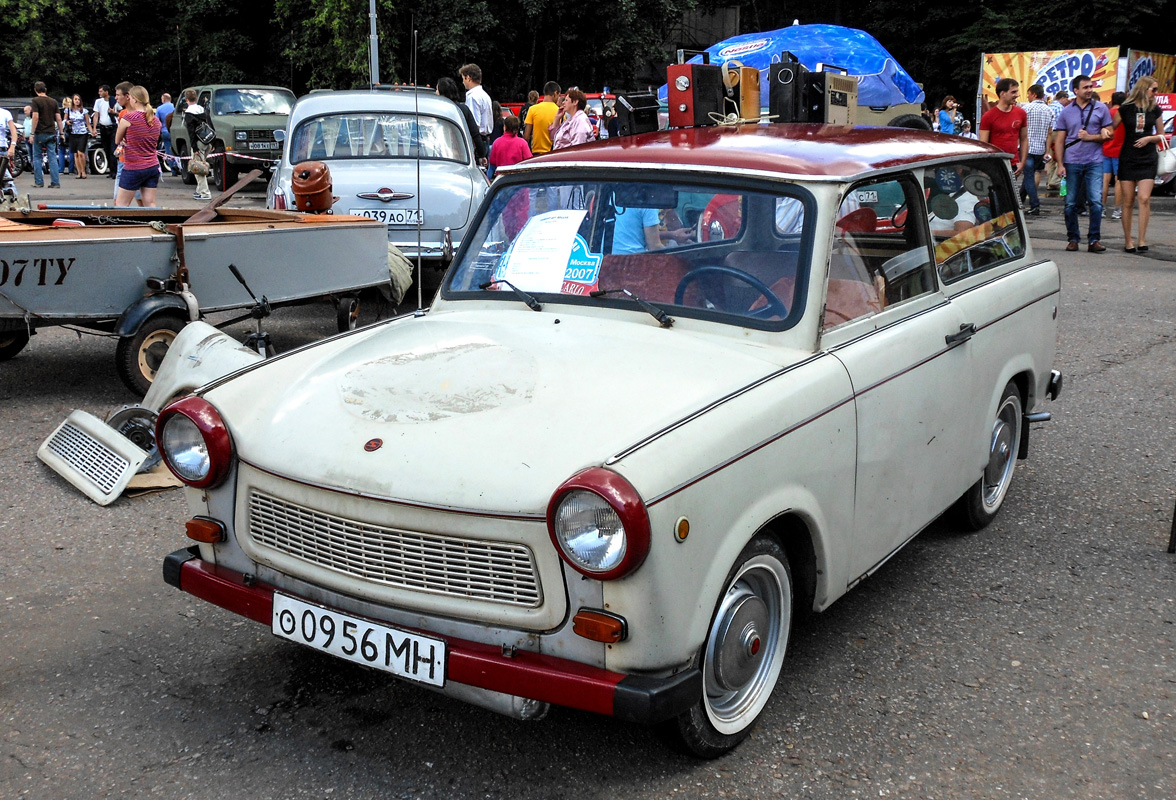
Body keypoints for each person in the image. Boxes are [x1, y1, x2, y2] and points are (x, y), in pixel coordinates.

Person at [1053, 74, 1114, 253]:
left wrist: (1093, 136)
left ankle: (1094, 239)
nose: (1089, 90)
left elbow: (1110, 133)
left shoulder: (1101, 108)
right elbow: (1059, 140)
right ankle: (1073, 238)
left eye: (1091, 87)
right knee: (1070, 203)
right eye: (1085, 87)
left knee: (1095, 201)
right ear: (1076, 90)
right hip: (1072, 161)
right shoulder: (1066, 111)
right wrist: (1060, 164)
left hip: (1095, 160)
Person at [1114, 76, 1164, 253]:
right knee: (1128, 201)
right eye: (1154, 89)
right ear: (1143, 89)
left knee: (1144, 198)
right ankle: (1128, 240)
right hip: (1128, 157)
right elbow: (1110, 128)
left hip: (1148, 157)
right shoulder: (1125, 109)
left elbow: (1162, 135)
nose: (1156, 93)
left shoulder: (1155, 110)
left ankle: (1142, 239)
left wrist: (1150, 138)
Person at [114, 85, 162, 207]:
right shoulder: (156, 120)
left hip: (134, 166)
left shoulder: (128, 118)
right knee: (150, 203)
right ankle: (155, 224)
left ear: (134, 99)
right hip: (152, 165)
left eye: (129, 98)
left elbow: (117, 140)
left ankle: (122, 226)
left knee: (121, 204)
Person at [979, 78, 1027, 177]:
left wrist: (1022, 162)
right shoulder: (988, 116)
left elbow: (1024, 139)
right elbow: (984, 145)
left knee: (1010, 192)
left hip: (1014, 164)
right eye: (1013, 92)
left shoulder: (1021, 113)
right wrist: (985, 168)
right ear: (1002, 94)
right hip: (995, 164)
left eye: (1017, 91)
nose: (1017, 95)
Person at [1021, 84, 1055, 216]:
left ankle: (1035, 205)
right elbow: (1049, 133)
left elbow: (1021, 131)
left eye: (1029, 94)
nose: (1028, 96)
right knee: (1029, 177)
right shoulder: (1049, 111)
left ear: (1034, 94)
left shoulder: (1026, 109)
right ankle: (1020, 200)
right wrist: (1047, 151)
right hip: (1041, 150)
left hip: (1027, 149)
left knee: (1028, 176)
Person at [436, 77, 486, 165]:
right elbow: (475, 134)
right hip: (462, 155)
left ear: (441, 93)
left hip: (441, 154)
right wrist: (481, 154)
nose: (436, 93)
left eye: (437, 90)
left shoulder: (438, 110)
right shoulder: (464, 109)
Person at [1100, 91, 1127, 221]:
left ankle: (1102, 208)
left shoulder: (1106, 114)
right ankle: (1117, 210)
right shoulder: (1124, 114)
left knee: (1104, 181)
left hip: (1105, 149)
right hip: (1120, 151)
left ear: (1112, 101)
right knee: (1119, 181)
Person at [29, 81, 61, 189]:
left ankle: (39, 182)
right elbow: (58, 118)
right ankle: (55, 182)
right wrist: (61, 132)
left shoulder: (35, 101)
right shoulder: (53, 101)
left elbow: (35, 117)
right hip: (51, 132)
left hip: (39, 132)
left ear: (35, 90)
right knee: (52, 158)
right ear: (45, 89)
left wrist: (32, 133)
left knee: (37, 157)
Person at [460, 63, 493, 152]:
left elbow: (474, 124)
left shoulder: (472, 97)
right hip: (485, 139)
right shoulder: (485, 95)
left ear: (469, 78)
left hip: (477, 142)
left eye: (463, 79)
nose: (463, 82)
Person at [487, 114, 531, 178]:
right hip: (518, 179)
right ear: (517, 128)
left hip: (501, 179)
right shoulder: (522, 143)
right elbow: (529, 161)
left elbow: (492, 164)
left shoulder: (497, 142)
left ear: (505, 127)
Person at [524, 82, 560, 156]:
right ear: (555, 93)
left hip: (536, 152)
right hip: (553, 152)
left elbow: (526, 136)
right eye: (558, 95)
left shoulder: (533, 109)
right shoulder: (560, 112)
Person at [1045, 90, 1070, 191]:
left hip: (1048, 134)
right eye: (1066, 99)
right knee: (1059, 158)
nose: (1067, 101)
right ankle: (1055, 181)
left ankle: (1049, 182)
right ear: (1063, 98)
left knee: (1050, 158)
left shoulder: (1049, 106)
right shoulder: (1061, 108)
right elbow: (1063, 123)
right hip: (1057, 133)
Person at [92, 85, 117, 179]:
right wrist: (94, 128)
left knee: (112, 149)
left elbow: (119, 112)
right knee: (106, 149)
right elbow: (96, 115)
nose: (99, 93)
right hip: (103, 127)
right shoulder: (98, 102)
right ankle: (111, 169)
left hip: (112, 127)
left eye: (101, 91)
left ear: (106, 92)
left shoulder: (113, 100)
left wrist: (113, 112)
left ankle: (114, 170)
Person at [66, 93, 92, 178]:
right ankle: (79, 172)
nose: (77, 101)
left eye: (78, 99)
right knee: (75, 154)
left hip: (82, 133)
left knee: (81, 153)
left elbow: (88, 123)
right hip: (73, 133)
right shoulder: (68, 110)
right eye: (75, 99)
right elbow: (64, 120)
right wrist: (67, 122)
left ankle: (83, 171)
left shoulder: (84, 111)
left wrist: (92, 131)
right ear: (72, 101)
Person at [156, 91, 179, 176]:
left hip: (165, 131)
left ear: (164, 99)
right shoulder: (175, 107)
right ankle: (179, 166)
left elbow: (156, 121)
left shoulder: (159, 108)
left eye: (162, 98)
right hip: (176, 132)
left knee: (168, 150)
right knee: (177, 149)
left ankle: (173, 170)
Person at [57, 97, 73, 175]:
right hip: (71, 132)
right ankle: (71, 169)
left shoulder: (60, 111)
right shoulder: (73, 111)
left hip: (62, 131)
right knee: (71, 151)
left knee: (61, 151)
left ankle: (61, 169)